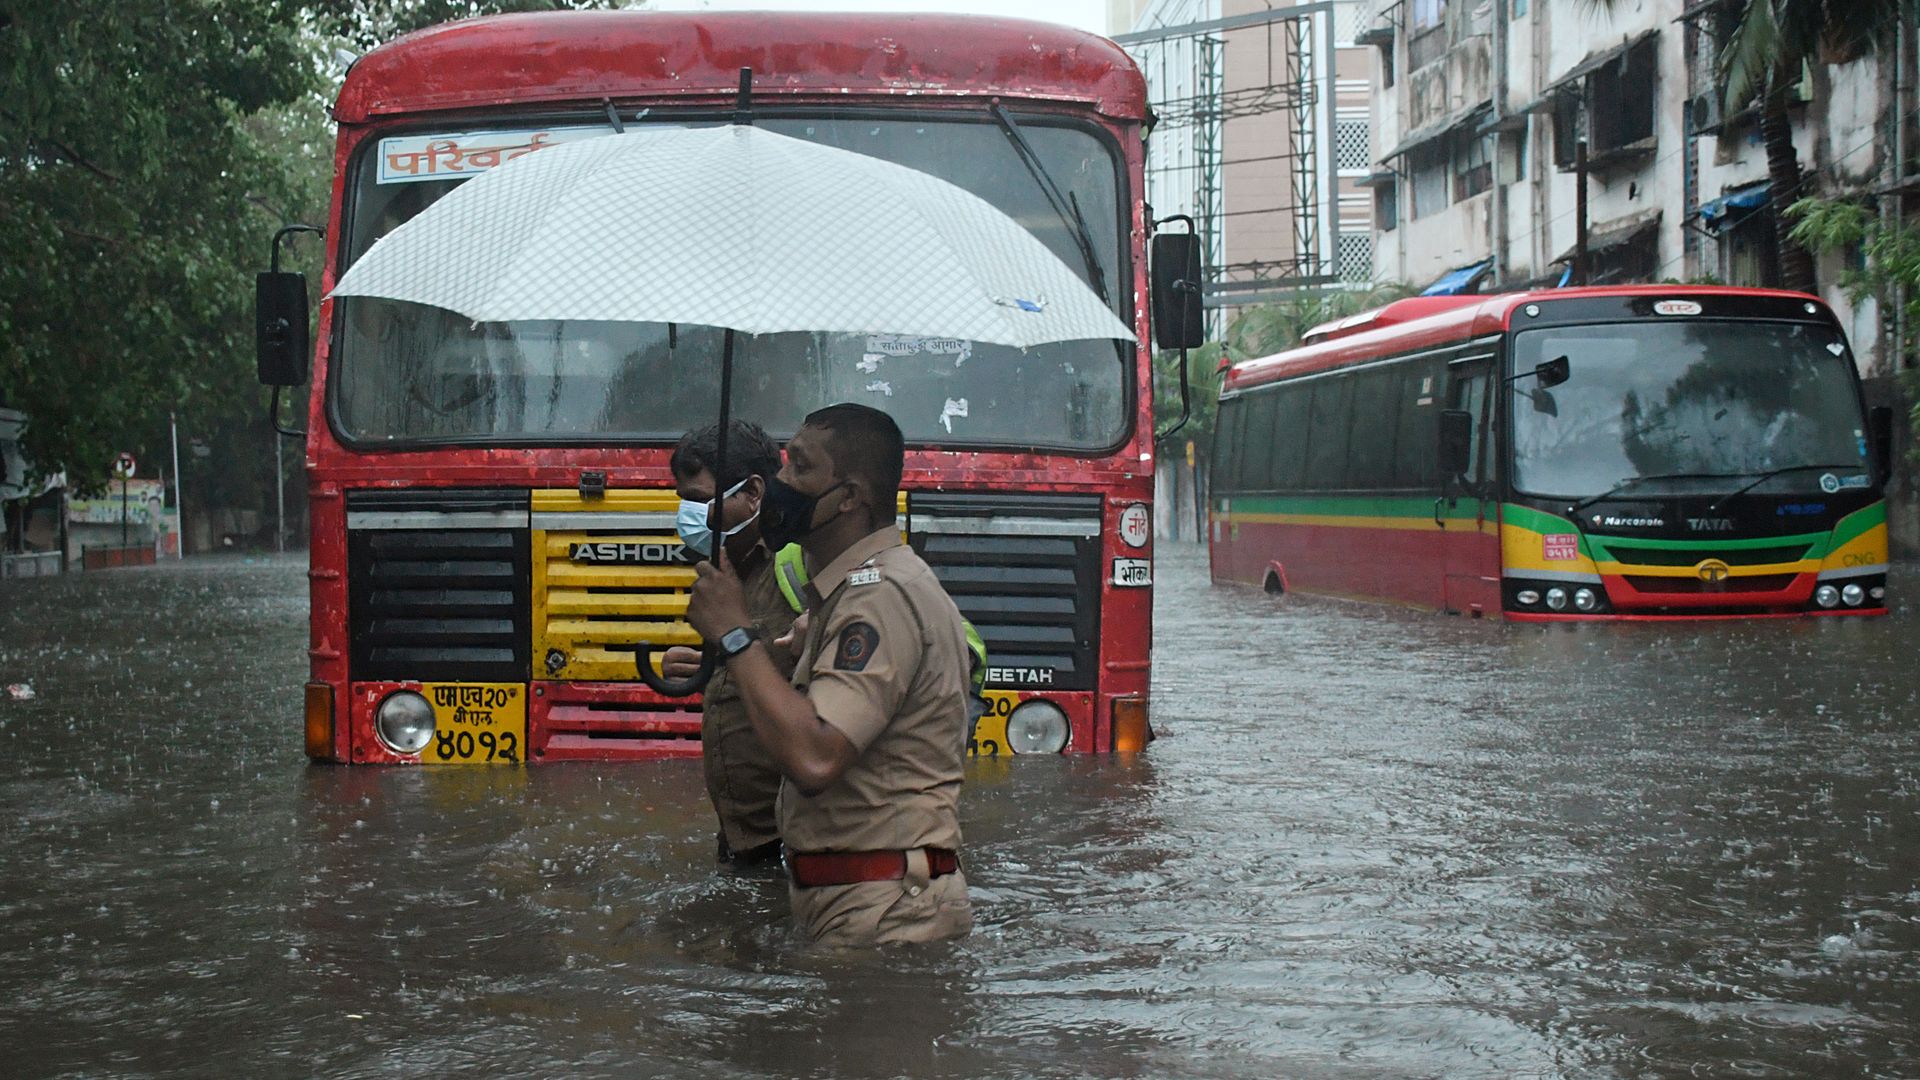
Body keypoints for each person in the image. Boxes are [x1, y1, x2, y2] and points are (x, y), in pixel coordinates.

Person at [685, 403, 974, 946]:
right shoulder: (850, 592)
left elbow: (816, 756)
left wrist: (735, 635)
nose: (780, 483)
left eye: (799, 467)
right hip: (860, 902)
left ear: (849, 497)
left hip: (884, 914)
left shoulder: (880, 597)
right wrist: (761, 658)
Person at [663, 421, 793, 867]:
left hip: (797, 841)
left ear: (754, 492)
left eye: (699, 502)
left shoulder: (800, 564)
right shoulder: (721, 573)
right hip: (743, 841)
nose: (687, 516)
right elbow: (763, 675)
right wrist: (706, 670)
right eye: (683, 503)